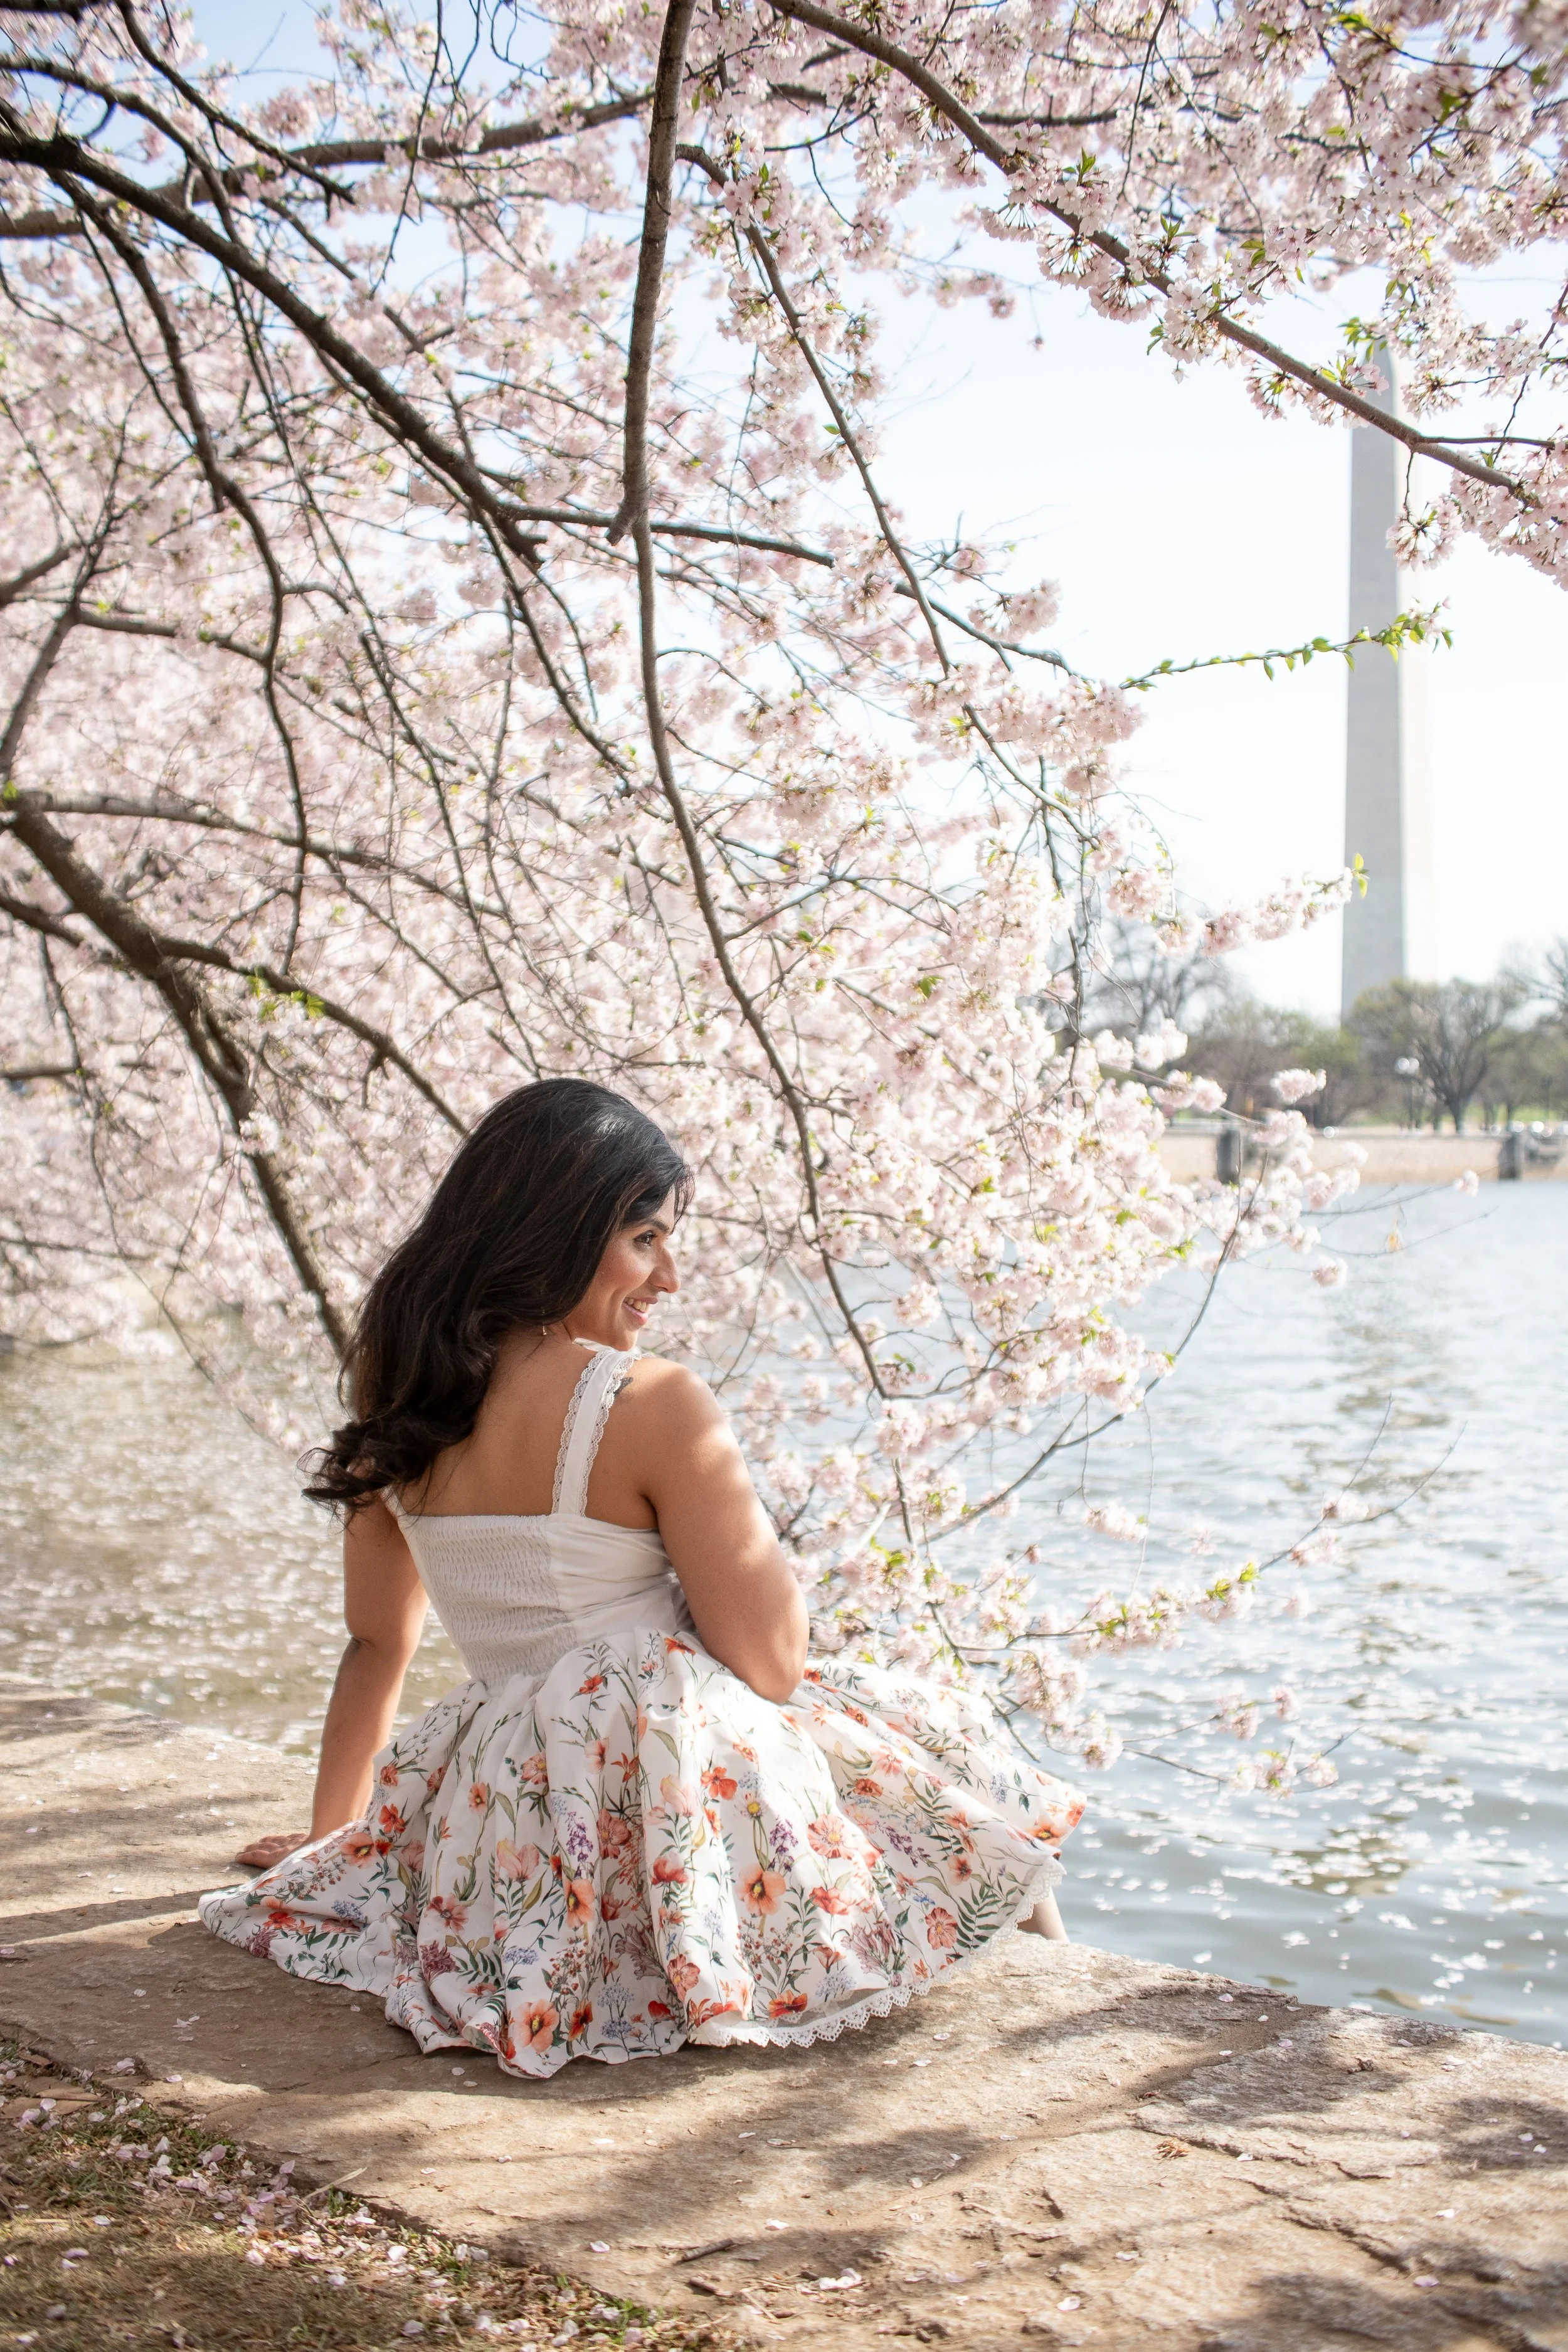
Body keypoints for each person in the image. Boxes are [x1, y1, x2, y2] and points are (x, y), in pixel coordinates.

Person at [201, 1079, 1081, 2077]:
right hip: (660, 1790)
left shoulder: (403, 1395)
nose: (668, 1278)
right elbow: (773, 1657)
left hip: (512, 1812)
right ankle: (1056, 2017)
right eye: (646, 1240)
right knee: (943, 1748)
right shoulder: (652, 1400)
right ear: (557, 1230)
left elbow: (376, 1642)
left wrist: (337, 1844)